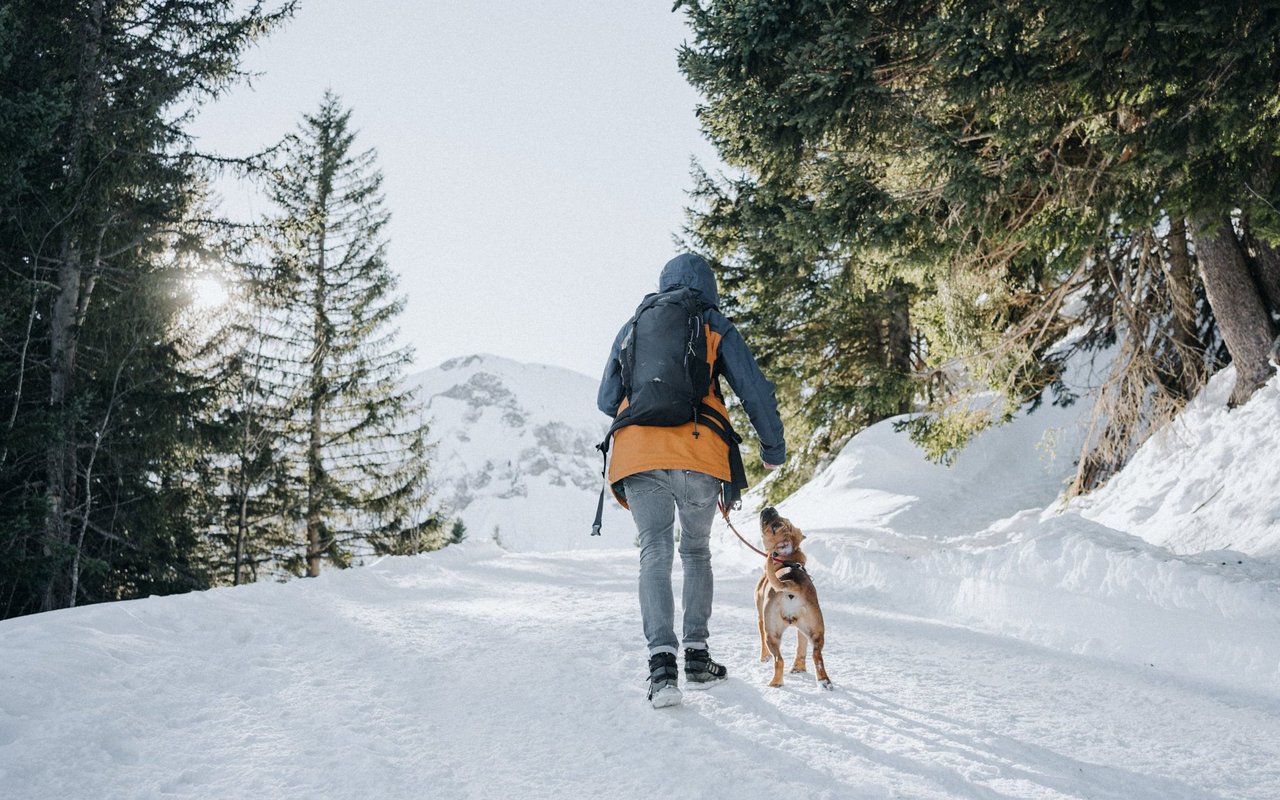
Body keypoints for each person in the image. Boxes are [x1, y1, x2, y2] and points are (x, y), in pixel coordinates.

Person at [597, 253, 786, 708]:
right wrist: (772, 449)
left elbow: (607, 399)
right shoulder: (711, 320)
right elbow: (753, 387)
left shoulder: (635, 323)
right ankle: (697, 658)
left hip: (637, 453)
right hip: (699, 449)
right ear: (709, 286)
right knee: (696, 550)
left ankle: (662, 671)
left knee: (654, 551)